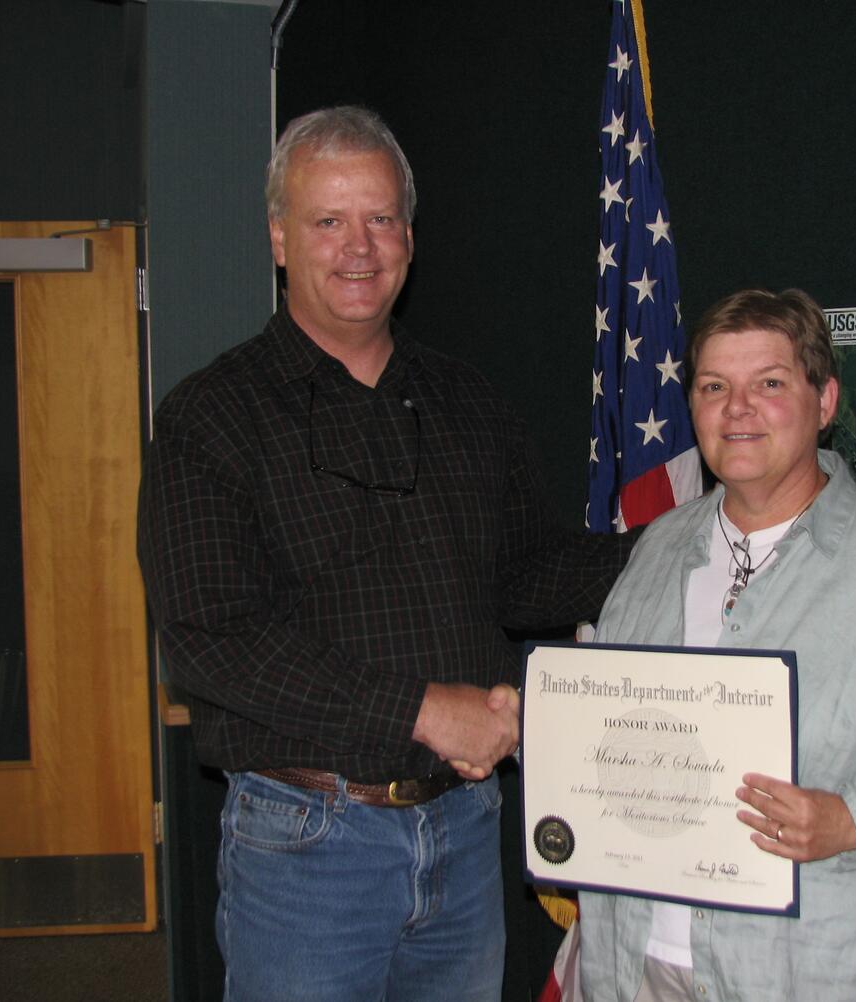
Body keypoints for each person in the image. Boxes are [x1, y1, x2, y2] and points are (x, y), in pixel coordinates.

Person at [138, 105, 632, 1002]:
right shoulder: (210, 417)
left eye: (380, 219)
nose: (358, 247)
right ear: (280, 240)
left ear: (409, 234)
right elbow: (210, 638)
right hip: (305, 850)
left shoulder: (468, 402)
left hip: (465, 835)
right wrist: (422, 711)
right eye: (328, 221)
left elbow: (523, 576)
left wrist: (684, 543)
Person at [577, 289, 856, 1001]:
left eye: (770, 384)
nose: (737, 409)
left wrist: (855, 818)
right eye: (714, 387)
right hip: (640, 965)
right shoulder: (658, 550)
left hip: (819, 973)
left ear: (826, 403)